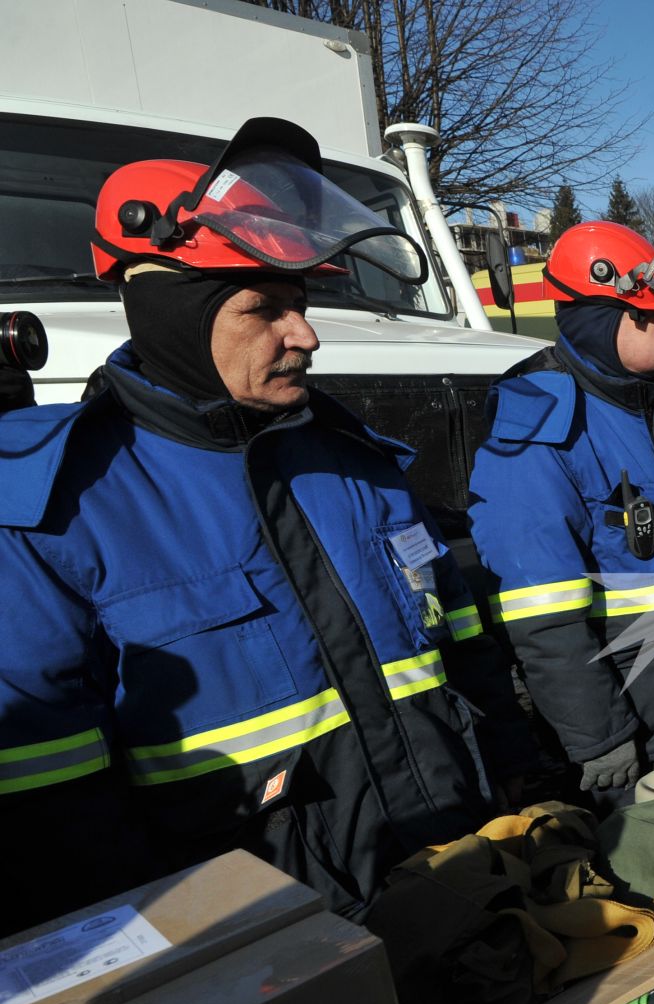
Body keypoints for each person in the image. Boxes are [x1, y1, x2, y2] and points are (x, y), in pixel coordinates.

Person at [0, 117, 529, 931]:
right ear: (173, 313)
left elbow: (464, 647)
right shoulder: (60, 508)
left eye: (302, 303)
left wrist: (525, 788)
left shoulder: (358, 459)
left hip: (462, 878)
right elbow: (54, 819)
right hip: (273, 952)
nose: (306, 334)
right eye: (266, 309)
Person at [467, 221, 654, 795]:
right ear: (602, 321)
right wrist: (600, 739)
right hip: (646, 739)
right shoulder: (542, 431)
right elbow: (541, 617)